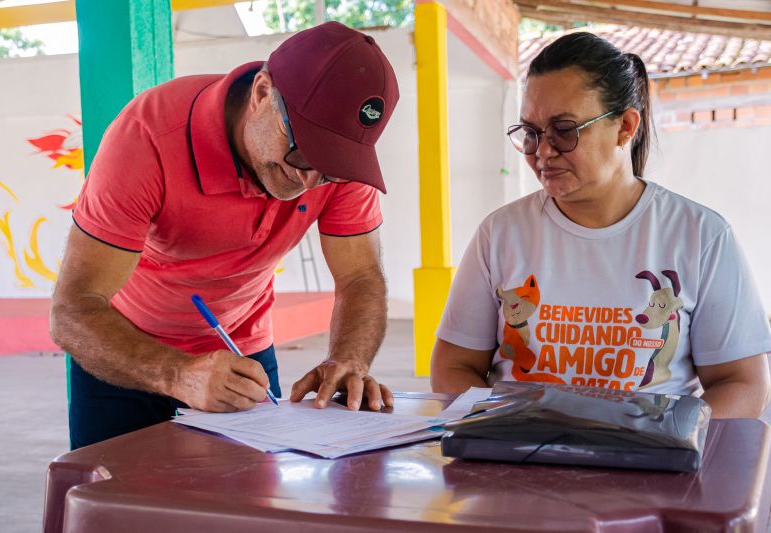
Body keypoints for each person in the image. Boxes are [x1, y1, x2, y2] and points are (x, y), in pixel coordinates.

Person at [50, 21, 399, 449]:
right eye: (302, 151)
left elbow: (360, 276)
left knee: (247, 511)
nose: (308, 181)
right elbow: (72, 309)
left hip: (241, 352)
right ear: (262, 94)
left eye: (329, 168)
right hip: (124, 352)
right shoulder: (147, 137)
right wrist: (177, 373)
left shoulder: (341, 165)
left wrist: (349, 359)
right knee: (112, 507)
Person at [430, 32, 771, 419]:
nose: (543, 150)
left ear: (625, 126)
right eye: (531, 133)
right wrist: (509, 426)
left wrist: (666, 436)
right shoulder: (501, 234)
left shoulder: (700, 236)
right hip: (523, 461)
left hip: (654, 469)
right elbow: (453, 367)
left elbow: (743, 383)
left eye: (564, 129)